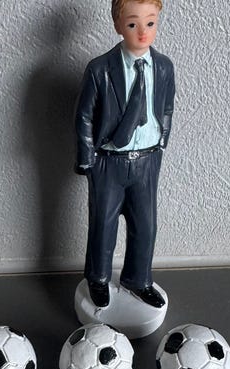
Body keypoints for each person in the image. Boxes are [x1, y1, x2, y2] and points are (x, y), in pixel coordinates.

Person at [75, 0, 175, 308]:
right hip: (109, 161)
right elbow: (84, 116)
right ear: (119, 26)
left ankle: (138, 278)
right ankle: (98, 278)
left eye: (150, 23)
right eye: (133, 24)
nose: (143, 32)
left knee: (145, 224)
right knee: (104, 223)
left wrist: (160, 143)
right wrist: (87, 159)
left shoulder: (163, 67)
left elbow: (166, 107)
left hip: (146, 160)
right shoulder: (100, 69)